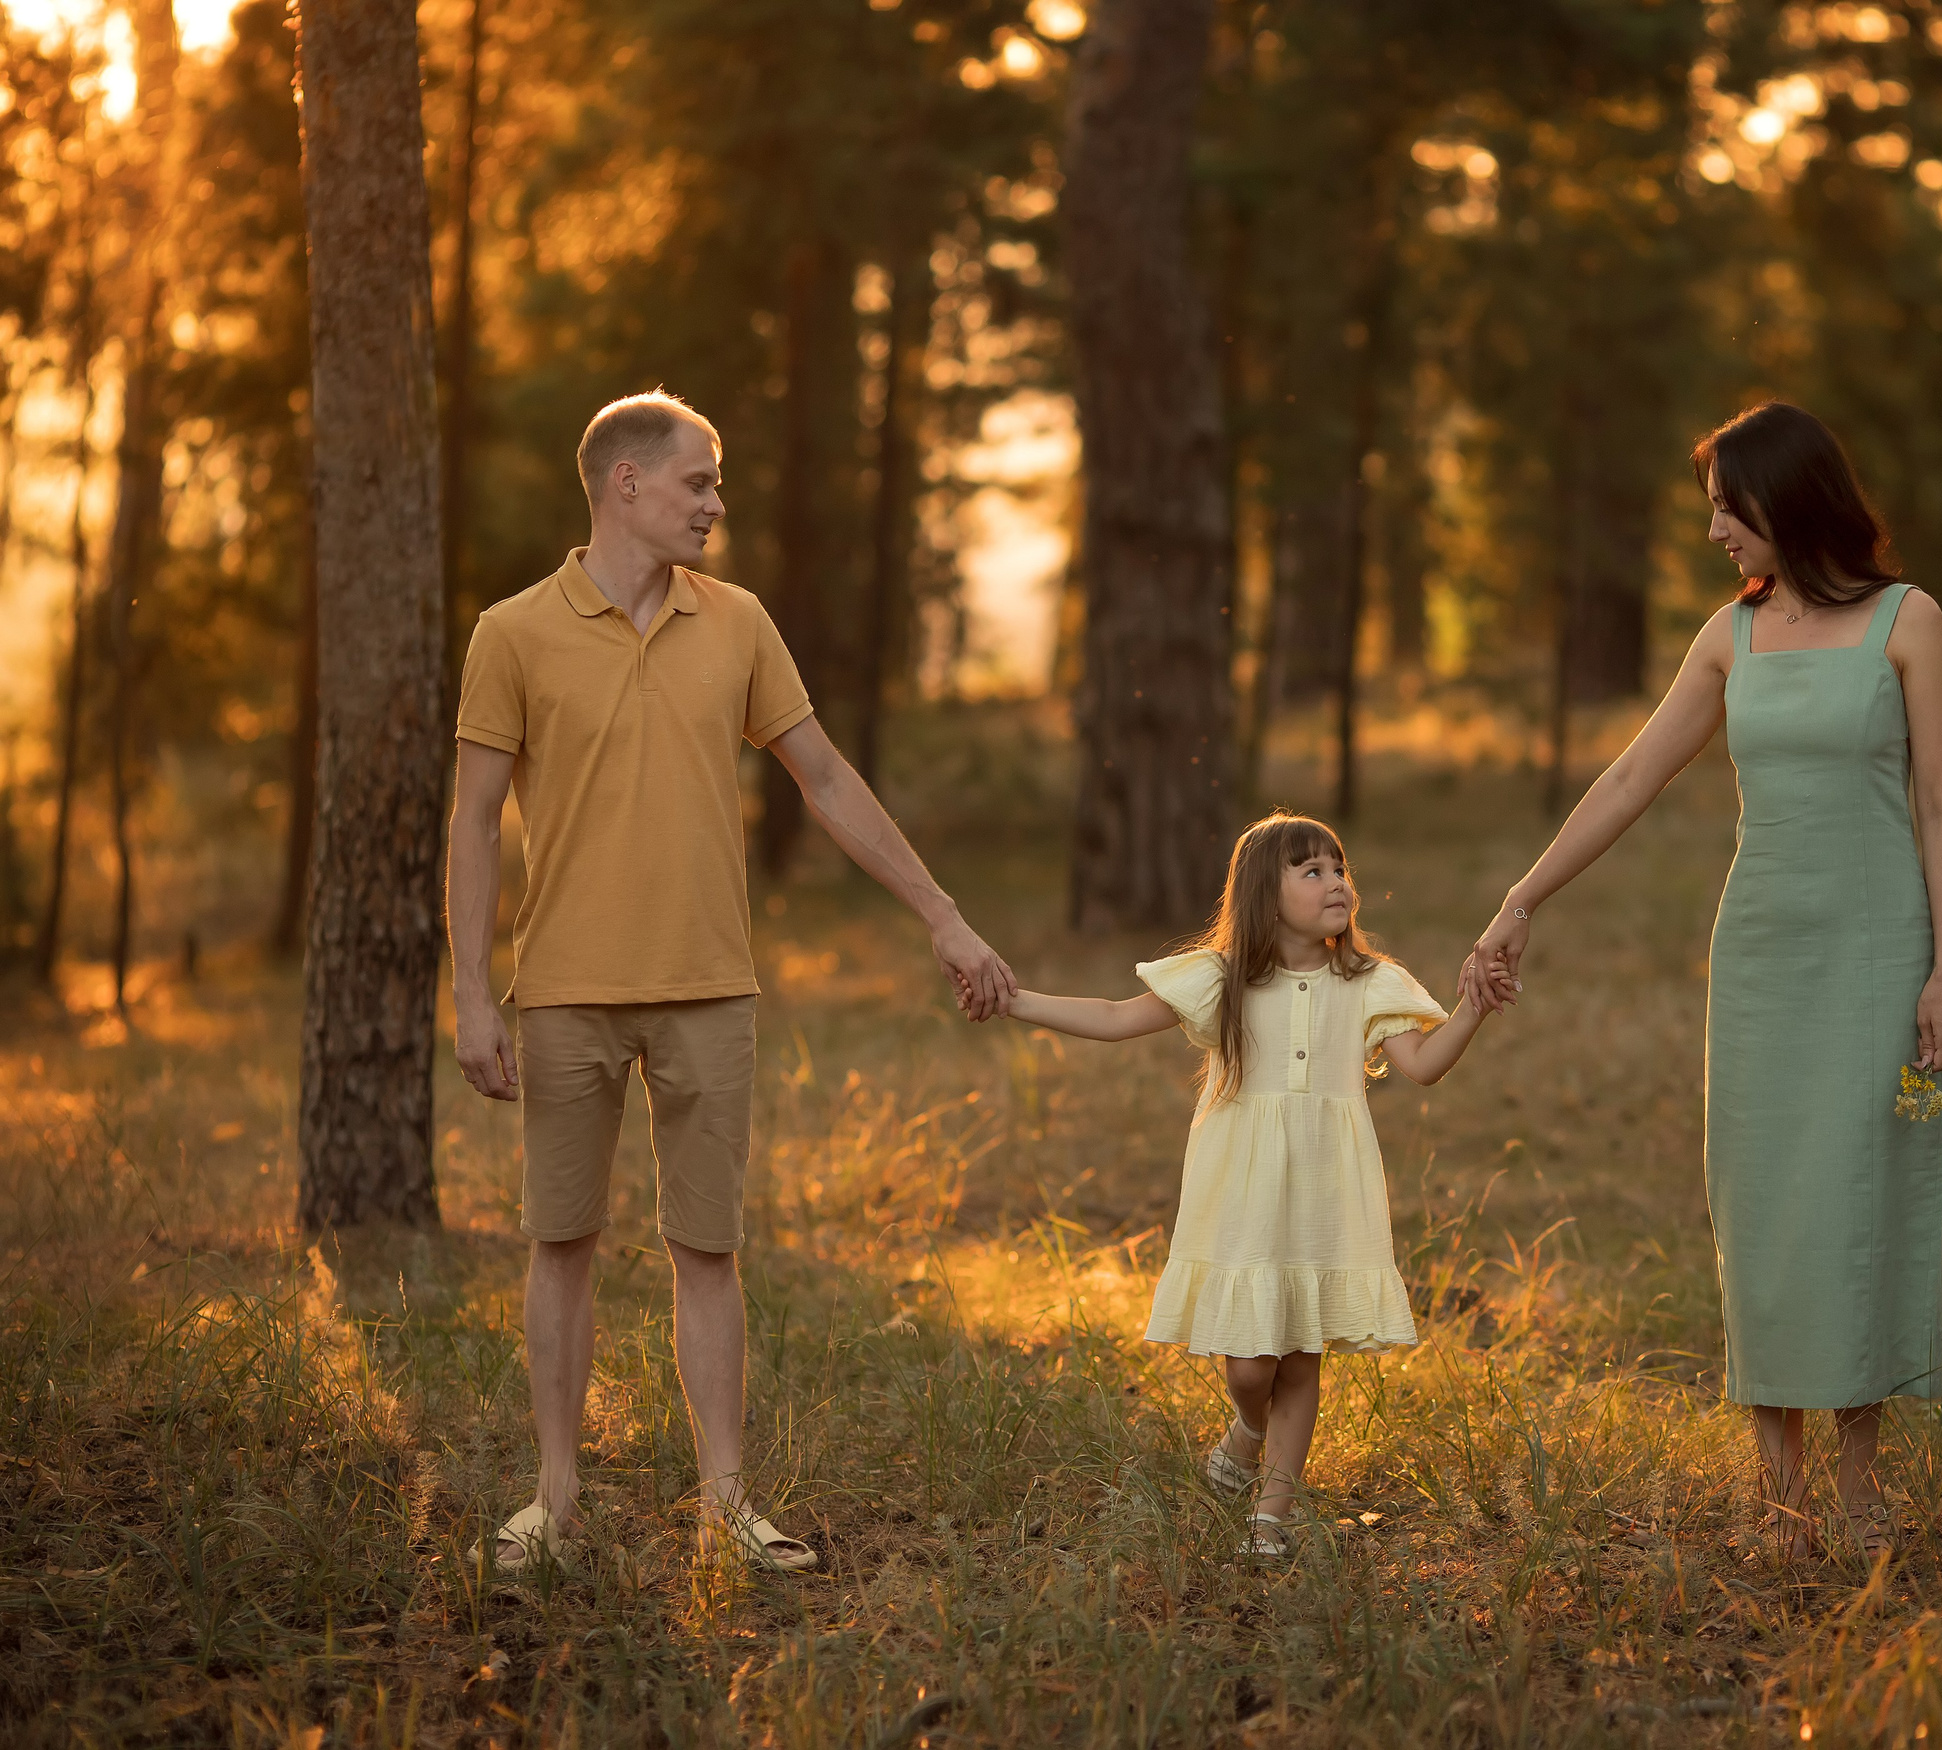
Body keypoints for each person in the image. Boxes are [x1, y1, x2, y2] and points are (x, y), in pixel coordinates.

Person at [447, 390, 1016, 1574]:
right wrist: (469, 993)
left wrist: (945, 916)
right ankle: (553, 1498)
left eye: (715, 483)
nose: (716, 501)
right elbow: (473, 822)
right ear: (627, 486)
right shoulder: (512, 631)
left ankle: (723, 1500)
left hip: (712, 987)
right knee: (564, 1243)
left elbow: (827, 778)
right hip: (562, 991)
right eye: (698, 481)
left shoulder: (741, 622)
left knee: (709, 1249)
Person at [1465, 402, 1942, 1563]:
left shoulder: (1910, 621)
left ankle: (1856, 1483)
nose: (1711, 530)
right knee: (1760, 1202)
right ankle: (1775, 1483)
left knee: (1861, 1186)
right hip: (1756, 961)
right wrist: (1521, 897)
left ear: (1786, 501)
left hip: (1880, 955)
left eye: (1726, 507)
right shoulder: (1726, 635)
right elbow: (1634, 774)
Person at [997, 811, 1494, 1555]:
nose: (1337, 883)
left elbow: (1422, 1065)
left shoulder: (1369, 981)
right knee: (1251, 1363)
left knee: (1300, 1349)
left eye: (1340, 868)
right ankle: (1247, 1428)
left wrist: (1475, 1007)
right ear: (1265, 894)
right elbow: (1111, 1016)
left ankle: (1272, 1511)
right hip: (1242, 1187)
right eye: (1313, 871)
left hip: (1324, 1188)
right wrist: (1013, 1000)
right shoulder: (1221, 977)